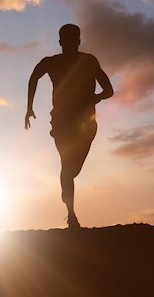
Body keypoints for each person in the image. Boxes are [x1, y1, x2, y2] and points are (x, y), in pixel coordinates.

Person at [25, 24, 114, 229]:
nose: (71, 43)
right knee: (67, 168)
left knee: (72, 170)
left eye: (73, 40)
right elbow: (34, 76)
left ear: (78, 41)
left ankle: (69, 202)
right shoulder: (52, 62)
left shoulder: (89, 61)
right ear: (61, 42)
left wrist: (95, 97)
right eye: (68, 40)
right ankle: (71, 215)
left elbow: (109, 89)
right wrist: (29, 107)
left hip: (86, 124)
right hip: (62, 122)